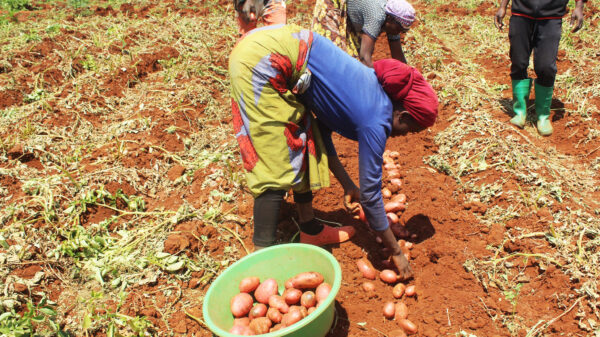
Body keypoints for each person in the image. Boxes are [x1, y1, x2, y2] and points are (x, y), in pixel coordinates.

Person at [229, 24, 438, 278]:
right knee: (275, 158)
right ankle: (261, 262)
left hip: (274, 45)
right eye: (410, 129)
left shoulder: (370, 92)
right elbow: (372, 196)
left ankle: (310, 229)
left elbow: (322, 131)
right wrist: (395, 252)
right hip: (262, 59)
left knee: (305, 137)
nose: (405, 135)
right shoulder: (376, 118)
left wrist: (348, 185)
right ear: (402, 115)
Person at [494, 0, 586, 136]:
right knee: (518, 61)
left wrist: (579, 7)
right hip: (521, 14)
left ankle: (543, 116)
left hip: (551, 17)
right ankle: (520, 111)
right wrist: (503, 6)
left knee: (546, 67)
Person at [312, 0, 416, 67]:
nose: (401, 33)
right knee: (333, 53)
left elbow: (399, 58)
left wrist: (410, 76)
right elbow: (365, 58)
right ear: (390, 19)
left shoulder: (392, 21)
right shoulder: (377, 16)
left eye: (404, 31)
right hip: (333, 3)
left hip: (352, 15)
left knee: (353, 60)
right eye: (400, 29)